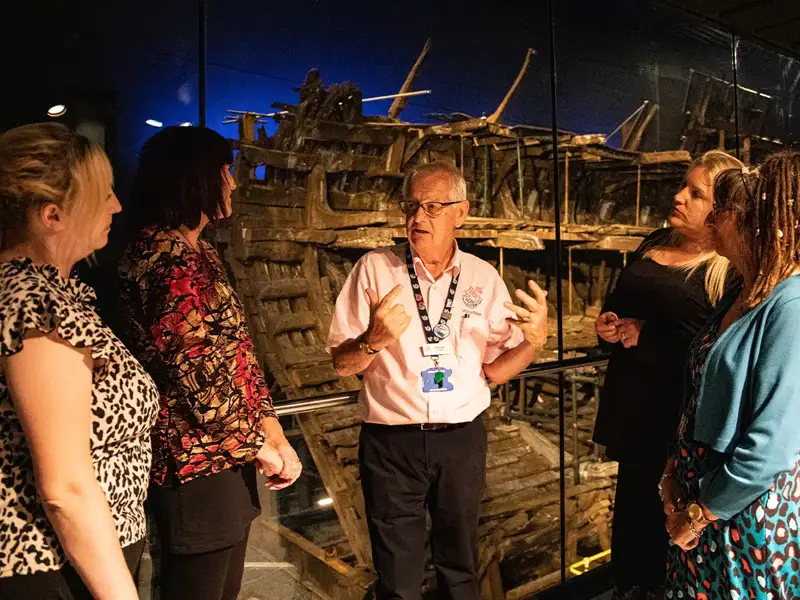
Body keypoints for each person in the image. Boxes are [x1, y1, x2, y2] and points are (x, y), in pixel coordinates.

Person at [326, 161, 548, 600]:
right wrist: (372, 341)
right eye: (410, 206)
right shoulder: (375, 269)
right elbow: (341, 364)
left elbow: (496, 370)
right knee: (398, 578)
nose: (417, 218)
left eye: (432, 207)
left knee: (461, 568)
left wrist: (535, 343)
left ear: (460, 213)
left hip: (461, 441)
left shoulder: (482, 277)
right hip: (391, 444)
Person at [116, 126, 302, 600]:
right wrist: (258, 445)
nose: (233, 183)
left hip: (225, 456)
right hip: (192, 463)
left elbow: (240, 354)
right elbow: (195, 372)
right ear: (194, 178)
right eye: (225, 171)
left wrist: (272, 432)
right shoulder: (163, 257)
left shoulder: (198, 252)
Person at [0, 123, 159, 599]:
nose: (117, 206)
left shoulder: (52, 296)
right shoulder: (33, 304)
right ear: (52, 215)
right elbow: (65, 489)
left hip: (79, 562)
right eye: (103, 193)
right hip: (55, 568)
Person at [592, 150, 743, 600]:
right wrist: (609, 325)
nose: (678, 197)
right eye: (683, 186)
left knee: (663, 531)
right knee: (631, 525)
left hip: (674, 419)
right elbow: (621, 301)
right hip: (631, 408)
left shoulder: (725, 269)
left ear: (720, 209)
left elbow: (714, 350)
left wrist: (647, 335)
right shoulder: (655, 240)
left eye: (695, 194)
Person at [663, 152, 800, 598]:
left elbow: (770, 448)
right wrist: (673, 469)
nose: (712, 220)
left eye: (721, 210)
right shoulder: (745, 287)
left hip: (741, 519)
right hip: (704, 506)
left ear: (752, 221)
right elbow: (700, 393)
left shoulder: (790, 306)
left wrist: (699, 515)